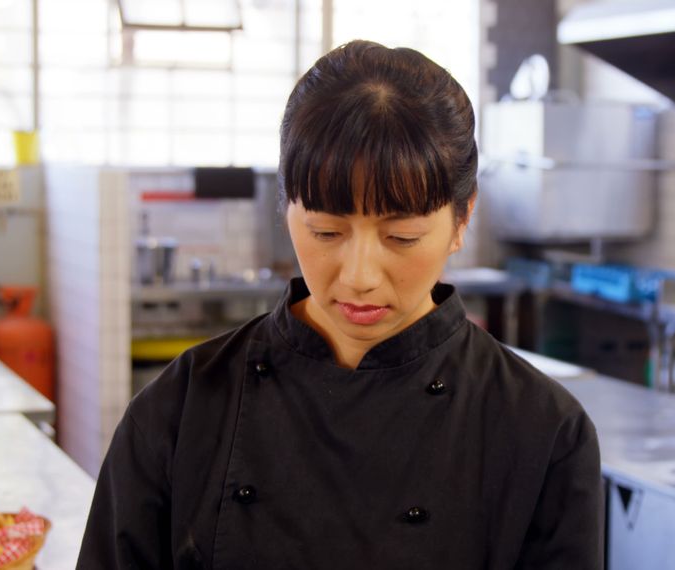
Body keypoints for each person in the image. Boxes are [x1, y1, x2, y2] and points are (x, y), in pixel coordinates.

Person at [77, 40, 603, 569]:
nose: (360, 277)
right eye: (327, 232)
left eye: (402, 236)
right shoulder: (181, 408)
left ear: (462, 219)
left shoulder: (541, 430)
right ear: (286, 209)